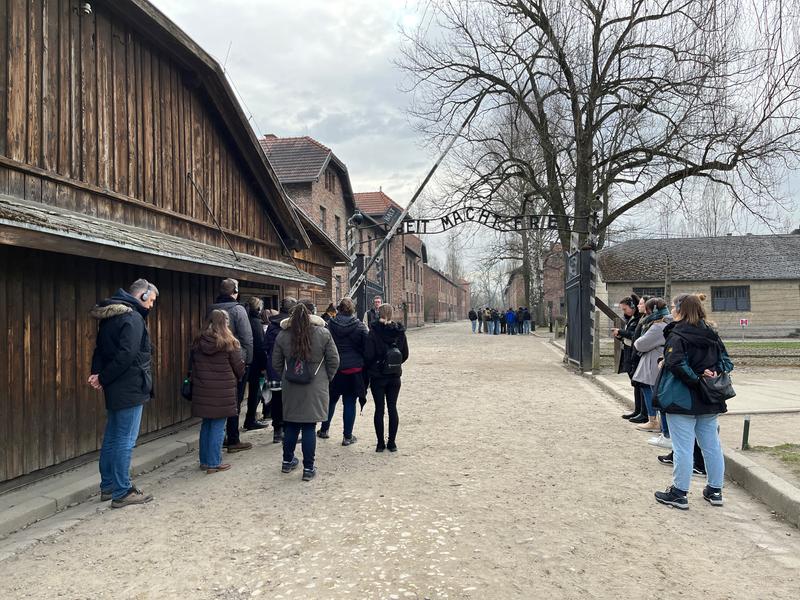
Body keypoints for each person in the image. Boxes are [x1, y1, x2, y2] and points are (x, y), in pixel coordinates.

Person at [654, 293, 732, 509]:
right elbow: (726, 362)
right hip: (709, 398)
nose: (670, 310)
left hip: (682, 399)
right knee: (711, 446)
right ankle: (715, 490)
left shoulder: (677, 334)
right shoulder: (712, 334)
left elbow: (676, 362)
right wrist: (712, 373)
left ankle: (679, 492)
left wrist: (695, 378)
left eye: (672, 307)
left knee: (683, 448)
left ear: (681, 309)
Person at [89, 278, 158, 508]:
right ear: (143, 295)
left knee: (112, 437)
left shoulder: (110, 316)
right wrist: (103, 376)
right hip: (130, 386)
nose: (151, 306)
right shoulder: (133, 317)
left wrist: (98, 374)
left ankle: (108, 486)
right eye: (152, 301)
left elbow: (100, 349)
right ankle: (122, 490)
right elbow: (127, 355)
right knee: (125, 440)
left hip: (115, 387)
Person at [272, 302, 340, 481]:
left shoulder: (283, 335)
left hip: (291, 385)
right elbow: (334, 360)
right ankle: (308, 468)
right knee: (309, 426)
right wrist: (326, 378)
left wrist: (286, 375)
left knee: (291, 424)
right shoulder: (323, 333)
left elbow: (276, 363)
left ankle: (287, 461)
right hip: (315, 386)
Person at [190, 310, 246, 474]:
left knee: (206, 425)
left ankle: (205, 461)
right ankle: (214, 462)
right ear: (224, 323)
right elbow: (238, 367)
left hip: (203, 389)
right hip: (222, 391)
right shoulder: (230, 342)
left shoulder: (198, 341)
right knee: (218, 427)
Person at [208, 279, 253, 453]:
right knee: (235, 400)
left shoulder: (210, 309)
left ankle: (223, 438)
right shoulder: (238, 309)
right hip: (235, 360)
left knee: (218, 402)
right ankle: (233, 439)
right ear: (235, 292)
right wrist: (247, 361)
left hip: (214, 361)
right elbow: (247, 337)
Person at [319, 297, 368, 445]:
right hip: (354, 369)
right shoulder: (360, 326)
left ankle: (324, 429)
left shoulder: (330, 325)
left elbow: (325, 345)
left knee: (331, 400)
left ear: (339, 309)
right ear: (352, 309)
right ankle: (347, 437)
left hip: (335, 368)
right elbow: (366, 348)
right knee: (349, 402)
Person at [365, 304, 409, 452]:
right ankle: (392, 443)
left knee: (379, 409)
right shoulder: (399, 332)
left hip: (378, 376)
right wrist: (394, 364)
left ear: (379, 313)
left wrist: (376, 366)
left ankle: (380, 444)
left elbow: (368, 355)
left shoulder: (373, 332)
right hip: (394, 376)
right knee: (392, 408)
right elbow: (405, 354)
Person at [632, 298, 672, 446]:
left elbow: (640, 344)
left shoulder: (658, 326)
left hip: (655, 363)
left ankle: (665, 433)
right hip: (657, 361)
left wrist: (639, 341)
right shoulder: (666, 322)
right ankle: (662, 430)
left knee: (658, 397)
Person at [265, 297, 297, 443]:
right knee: (290, 401)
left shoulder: (272, 325)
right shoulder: (294, 325)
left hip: (274, 367)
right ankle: (288, 430)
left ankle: (277, 430)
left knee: (277, 400)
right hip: (290, 368)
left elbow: (266, 346)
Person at [612, 294, 644, 422]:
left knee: (638, 384)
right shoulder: (632, 319)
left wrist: (621, 332)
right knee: (635, 383)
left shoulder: (638, 320)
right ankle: (638, 410)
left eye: (625, 309)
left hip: (634, 352)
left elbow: (635, 335)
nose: (624, 312)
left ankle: (642, 412)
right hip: (629, 351)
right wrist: (620, 335)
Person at [243, 296, 269, 431]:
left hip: (244, 360)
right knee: (255, 392)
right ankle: (250, 419)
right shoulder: (256, 322)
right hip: (255, 363)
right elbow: (260, 346)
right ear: (258, 308)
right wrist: (264, 365)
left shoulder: (246, 320)